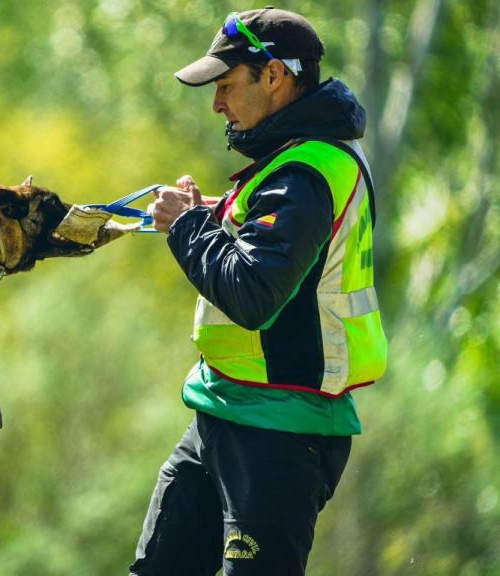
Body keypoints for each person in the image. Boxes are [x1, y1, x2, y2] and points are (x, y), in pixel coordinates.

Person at [131, 8, 388, 575]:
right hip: (220, 411)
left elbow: (252, 295)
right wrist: (206, 221)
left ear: (274, 76)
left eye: (225, 86)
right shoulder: (290, 160)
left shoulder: (305, 174)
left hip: (281, 433)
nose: (218, 104)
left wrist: (187, 227)